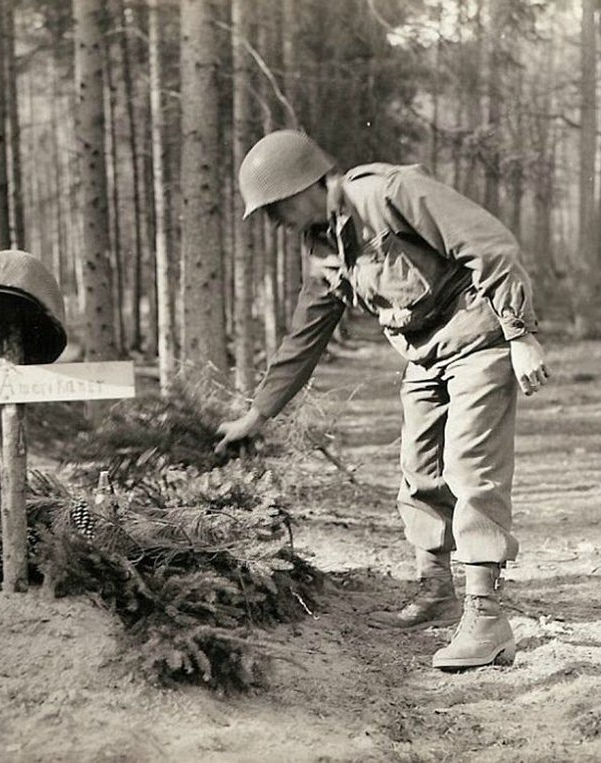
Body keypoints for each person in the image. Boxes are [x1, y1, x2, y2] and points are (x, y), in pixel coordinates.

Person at [215, 130, 550, 670]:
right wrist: (259, 413)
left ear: (303, 185)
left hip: (480, 337)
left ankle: (486, 616)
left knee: (472, 470)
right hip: (422, 355)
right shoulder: (322, 246)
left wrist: (520, 333)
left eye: (275, 209)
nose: (275, 223)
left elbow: (489, 244)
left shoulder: (387, 192)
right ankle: (436, 589)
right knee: (419, 472)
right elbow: (308, 330)